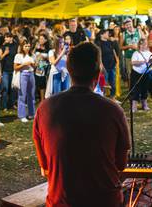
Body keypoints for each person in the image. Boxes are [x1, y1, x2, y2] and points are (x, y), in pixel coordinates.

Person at [33, 42, 130, 206]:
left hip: (61, 201)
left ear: (69, 71)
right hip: (105, 201)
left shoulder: (45, 109)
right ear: (98, 72)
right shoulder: (113, 110)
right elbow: (121, 165)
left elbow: (45, 170)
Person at [14, 40, 36, 122]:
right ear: (22, 47)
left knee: (31, 94)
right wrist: (24, 64)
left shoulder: (32, 55)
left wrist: (34, 65)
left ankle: (31, 113)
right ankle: (22, 115)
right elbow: (15, 67)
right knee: (22, 95)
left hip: (31, 74)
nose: (27, 48)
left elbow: (34, 67)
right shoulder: (18, 55)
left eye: (28, 46)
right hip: (23, 74)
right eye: (25, 46)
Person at [130, 38, 152, 112]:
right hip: (136, 73)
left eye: (145, 44)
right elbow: (133, 63)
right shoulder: (136, 53)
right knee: (136, 89)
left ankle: (145, 105)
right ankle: (134, 106)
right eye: (142, 44)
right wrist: (143, 61)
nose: (143, 46)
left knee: (145, 89)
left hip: (146, 73)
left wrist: (150, 62)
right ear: (139, 45)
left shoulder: (149, 53)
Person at [96, 29, 118, 99]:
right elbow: (99, 54)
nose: (108, 34)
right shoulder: (98, 43)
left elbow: (113, 50)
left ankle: (113, 97)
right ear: (101, 35)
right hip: (104, 66)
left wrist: (116, 59)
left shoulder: (110, 42)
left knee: (113, 82)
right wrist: (101, 64)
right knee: (103, 83)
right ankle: (103, 97)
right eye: (106, 33)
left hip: (112, 64)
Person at [0, 33, 18, 110]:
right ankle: (4, 106)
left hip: (13, 70)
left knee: (13, 88)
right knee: (5, 88)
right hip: (5, 71)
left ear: (11, 38)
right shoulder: (2, 47)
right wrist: (5, 54)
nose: (5, 39)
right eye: (5, 37)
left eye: (7, 37)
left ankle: (12, 104)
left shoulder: (15, 46)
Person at [120, 18, 141, 86]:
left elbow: (145, 43)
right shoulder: (123, 34)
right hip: (129, 57)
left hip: (138, 56)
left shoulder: (138, 31)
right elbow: (120, 47)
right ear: (125, 26)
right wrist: (129, 46)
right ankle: (132, 89)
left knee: (139, 72)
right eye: (126, 25)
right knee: (130, 73)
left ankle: (139, 88)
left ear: (132, 23)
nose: (128, 26)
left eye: (129, 24)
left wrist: (138, 47)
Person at [34, 34, 51, 102]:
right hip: (36, 68)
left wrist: (44, 57)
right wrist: (35, 47)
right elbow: (32, 54)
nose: (40, 40)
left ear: (45, 40)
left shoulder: (48, 49)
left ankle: (43, 100)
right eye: (39, 38)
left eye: (42, 39)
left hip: (45, 68)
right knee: (36, 84)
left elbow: (50, 58)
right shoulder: (36, 48)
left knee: (43, 85)